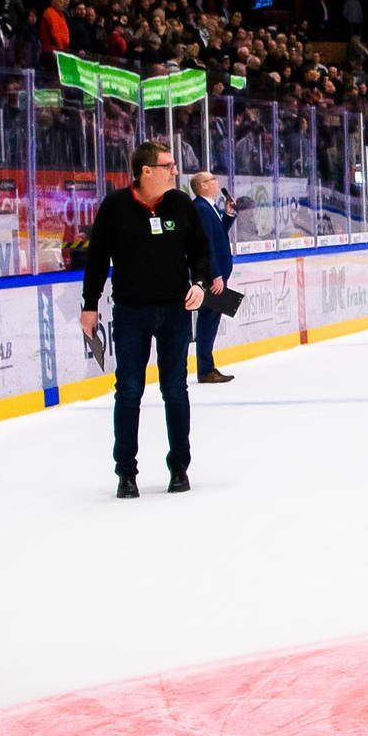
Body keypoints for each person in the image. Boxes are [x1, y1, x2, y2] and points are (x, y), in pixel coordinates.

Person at [80, 140, 211, 499]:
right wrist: (89, 304)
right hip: (131, 314)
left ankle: (180, 467)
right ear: (146, 171)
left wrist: (199, 283)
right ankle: (126, 473)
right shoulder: (116, 207)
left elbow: (201, 252)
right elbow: (96, 260)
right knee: (129, 391)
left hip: (174, 312)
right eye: (168, 165)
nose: (175, 170)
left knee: (175, 389)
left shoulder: (181, 204)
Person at [189, 171, 238, 384]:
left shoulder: (209, 207)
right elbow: (205, 244)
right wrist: (215, 274)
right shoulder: (200, 208)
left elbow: (217, 235)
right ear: (203, 186)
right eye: (212, 180)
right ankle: (206, 369)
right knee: (208, 320)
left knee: (211, 318)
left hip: (215, 273)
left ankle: (207, 367)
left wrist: (227, 216)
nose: (217, 182)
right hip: (211, 276)